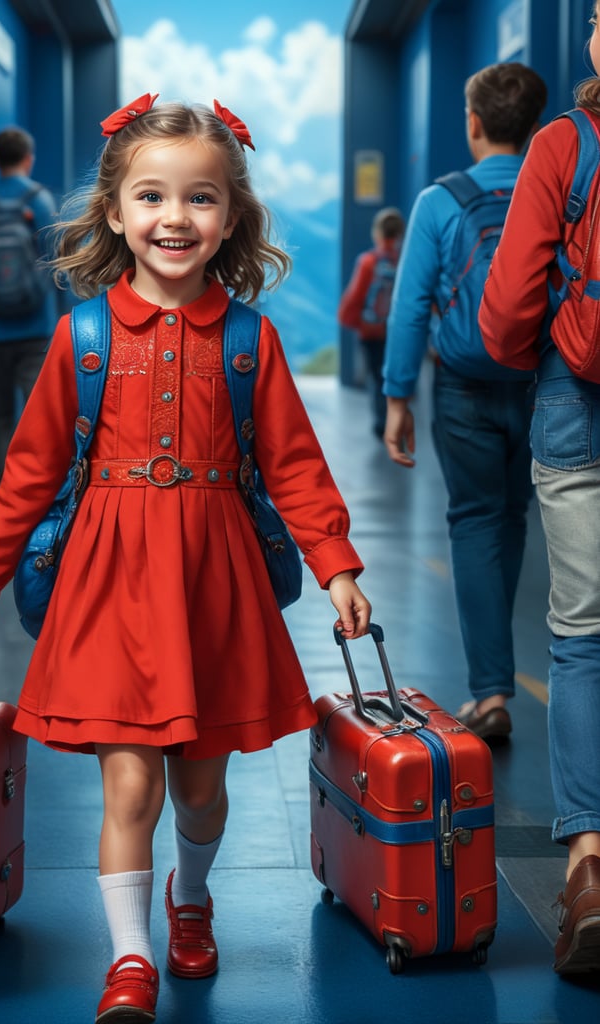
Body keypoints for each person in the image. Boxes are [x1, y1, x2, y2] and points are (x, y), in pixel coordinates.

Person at [0, 94, 371, 1023]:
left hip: (213, 586)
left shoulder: (251, 340)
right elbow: (28, 476)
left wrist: (335, 567)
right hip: (109, 583)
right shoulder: (81, 338)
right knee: (128, 775)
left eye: (201, 198)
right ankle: (130, 959)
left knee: (202, 791)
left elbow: (293, 463)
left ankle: (192, 894)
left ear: (232, 218)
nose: (175, 218)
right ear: (116, 212)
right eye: (152, 197)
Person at [479, 4, 600, 977]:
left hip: (578, 405)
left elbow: (510, 301)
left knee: (582, 634)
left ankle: (591, 866)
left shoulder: (568, 142)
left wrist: (537, 356)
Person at [382, 62, 547, 742]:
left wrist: (396, 397)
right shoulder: (556, 192)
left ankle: (490, 690)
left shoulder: (439, 200)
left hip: (463, 386)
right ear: (534, 126)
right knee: (512, 522)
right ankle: (515, 680)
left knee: (476, 524)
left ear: (473, 123)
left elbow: (409, 306)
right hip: (550, 385)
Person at [0, 126, 58, 482]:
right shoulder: (40, 199)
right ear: (28, 159)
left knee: (0, 419)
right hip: (35, 327)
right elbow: (54, 260)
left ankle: (5, 500)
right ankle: (38, 499)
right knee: (41, 419)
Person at [338, 206, 404, 437]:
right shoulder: (404, 262)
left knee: (377, 378)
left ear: (377, 233)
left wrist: (356, 322)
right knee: (395, 375)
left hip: (371, 332)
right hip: (398, 332)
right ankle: (397, 420)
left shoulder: (368, 262)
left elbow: (354, 298)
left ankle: (382, 424)